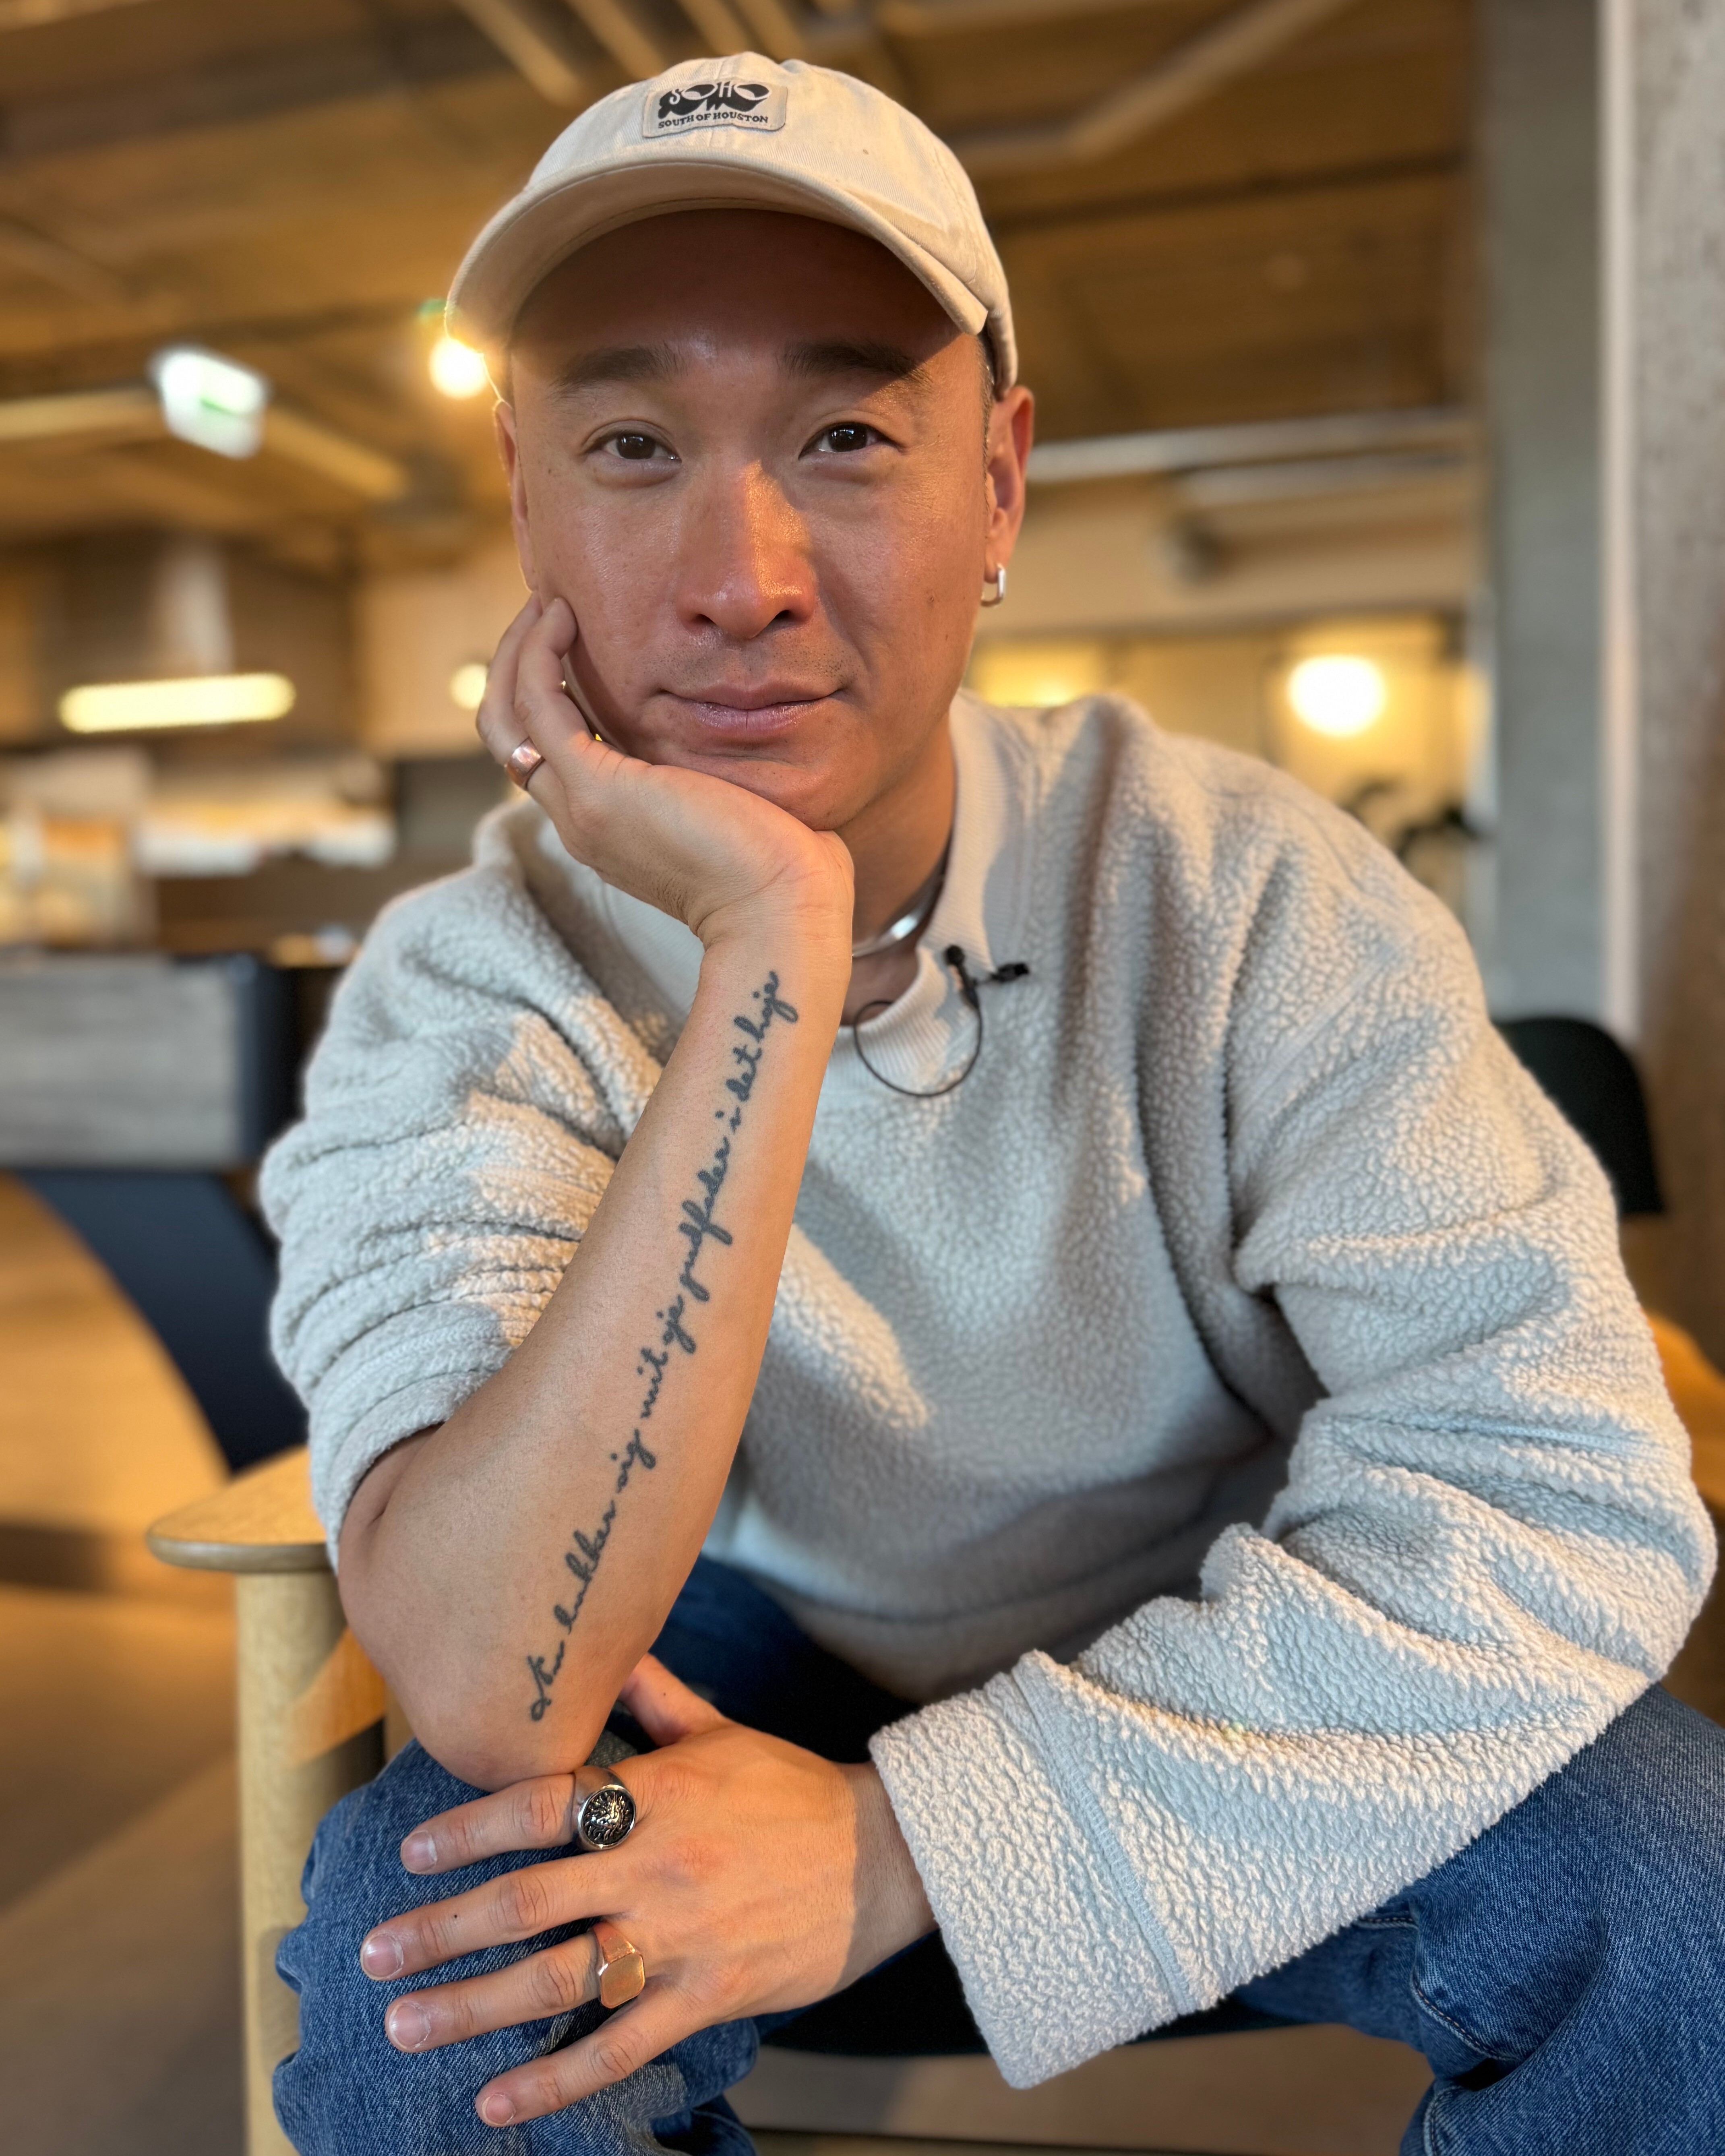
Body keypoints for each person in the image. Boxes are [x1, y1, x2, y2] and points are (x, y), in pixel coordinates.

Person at [260, 52, 1725, 2156]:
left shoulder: (1247, 893)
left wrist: (910, 1843)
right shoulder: (466, 986)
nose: (741, 575)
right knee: (434, 1976)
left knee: (1683, 1905)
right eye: (633, 443)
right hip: (739, 1678)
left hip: (1223, 1676)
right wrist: (768, 950)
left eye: (846, 436)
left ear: (1003, 488)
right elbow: (496, 1684)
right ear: (525, 499)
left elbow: (1555, 1491)